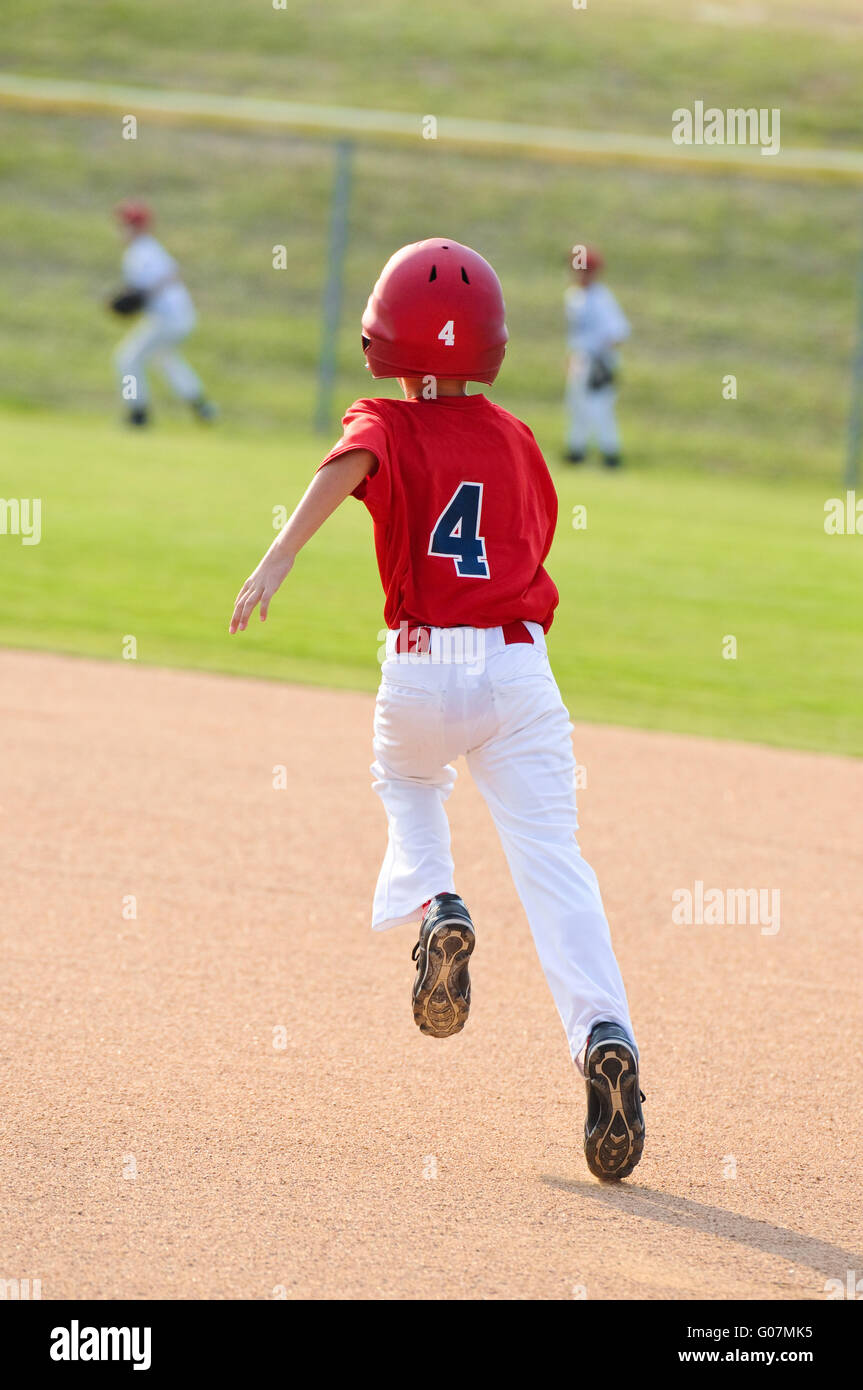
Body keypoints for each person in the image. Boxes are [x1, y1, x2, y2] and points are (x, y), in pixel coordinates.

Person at [229, 238, 644, 1180]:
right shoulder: (515, 437)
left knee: (406, 779)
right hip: (517, 672)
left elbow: (348, 464)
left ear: (386, 337)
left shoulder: (381, 416)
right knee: (556, 869)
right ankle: (602, 1034)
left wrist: (282, 554)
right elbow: (532, 542)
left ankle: (437, 904)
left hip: (421, 664)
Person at [109, 200, 216, 427]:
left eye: (127, 224)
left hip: (167, 318)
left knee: (127, 359)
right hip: (180, 316)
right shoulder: (149, 248)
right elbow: (172, 273)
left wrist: (141, 295)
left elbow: (165, 278)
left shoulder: (139, 251)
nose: (123, 229)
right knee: (164, 358)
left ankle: (137, 414)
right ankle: (202, 407)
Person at [564, 244, 629, 467]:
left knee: (599, 407)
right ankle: (576, 451)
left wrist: (600, 357)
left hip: (599, 360)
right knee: (576, 406)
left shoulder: (601, 298)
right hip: (581, 359)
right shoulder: (574, 297)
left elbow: (619, 332)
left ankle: (611, 454)